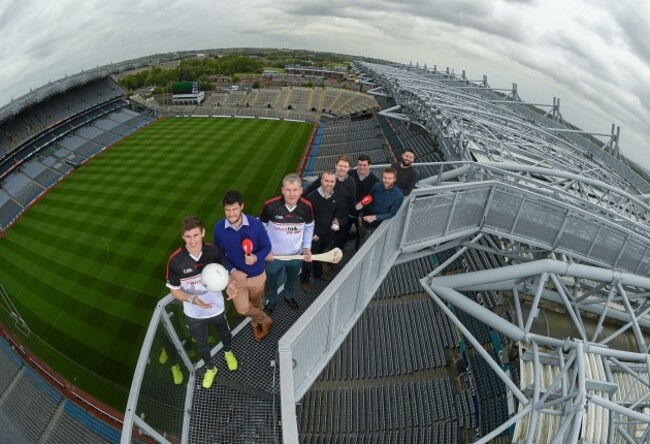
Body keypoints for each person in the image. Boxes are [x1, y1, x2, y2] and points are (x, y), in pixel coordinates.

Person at [166, 216, 238, 389]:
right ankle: (210, 368)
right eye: (188, 236)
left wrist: (230, 286)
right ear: (183, 236)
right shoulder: (175, 261)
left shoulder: (214, 252)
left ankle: (228, 351)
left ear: (203, 233)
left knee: (224, 332)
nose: (192, 241)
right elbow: (174, 290)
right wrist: (192, 299)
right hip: (194, 312)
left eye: (196, 235)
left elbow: (224, 275)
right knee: (201, 344)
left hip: (217, 307)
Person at [213, 190, 274, 342]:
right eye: (227, 210)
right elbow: (219, 253)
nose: (231, 214)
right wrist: (232, 270)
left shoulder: (256, 224)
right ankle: (265, 320)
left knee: (256, 303)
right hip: (235, 278)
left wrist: (256, 257)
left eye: (234, 209)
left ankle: (255, 322)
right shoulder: (218, 228)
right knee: (242, 309)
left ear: (241, 206)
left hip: (257, 275)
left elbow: (267, 247)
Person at [259, 173, 314, 312]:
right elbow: (260, 229)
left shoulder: (307, 207)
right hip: (274, 257)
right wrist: (265, 250)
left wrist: (306, 247)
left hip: (296, 256)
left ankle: (288, 296)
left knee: (292, 279)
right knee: (272, 282)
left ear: (301, 190)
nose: (291, 194)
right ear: (282, 190)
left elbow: (309, 227)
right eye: (288, 190)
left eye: (295, 190)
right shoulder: (270, 206)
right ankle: (271, 299)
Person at [305, 155, 356, 277]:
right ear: (335, 166)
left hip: (340, 221)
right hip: (323, 222)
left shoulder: (351, 182)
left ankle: (328, 264)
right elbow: (309, 191)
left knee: (334, 244)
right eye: (340, 165)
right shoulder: (327, 178)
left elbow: (352, 202)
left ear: (349, 168)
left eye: (345, 166)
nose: (342, 168)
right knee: (316, 249)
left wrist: (348, 219)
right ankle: (310, 275)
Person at [301, 170, 343, 294]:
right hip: (313, 237)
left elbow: (335, 213)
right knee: (308, 260)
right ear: (321, 181)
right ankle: (305, 281)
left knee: (320, 256)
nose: (329, 184)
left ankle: (318, 274)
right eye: (326, 181)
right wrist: (313, 235)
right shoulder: (311, 198)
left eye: (332, 181)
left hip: (327, 235)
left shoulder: (336, 196)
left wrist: (335, 221)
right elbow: (304, 220)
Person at [358, 167, 404, 242]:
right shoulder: (376, 186)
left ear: (394, 179)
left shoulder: (398, 195)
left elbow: (392, 213)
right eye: (385, 178)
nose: (386, 180)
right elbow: (368, 199)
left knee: (366, 243)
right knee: (360, 237)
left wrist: (374, 217)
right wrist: (361, 214)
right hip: (364, 218)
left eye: (389, 178)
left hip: (376, 224)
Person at [348, 155, 379, 250]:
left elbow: (373, 198)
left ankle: (357, 252)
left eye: (364, 165)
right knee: (341, 232)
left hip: (362, 214)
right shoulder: (350, 173)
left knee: (360, 235)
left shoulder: (375, 180)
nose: (362, 167)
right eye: (359, 164)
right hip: (348, 211)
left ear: (369, 165)